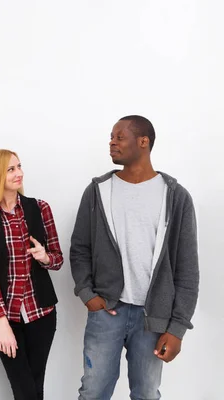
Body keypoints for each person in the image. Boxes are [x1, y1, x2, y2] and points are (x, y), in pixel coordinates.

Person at [70, 115, 200, 399]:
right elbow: (80, 247)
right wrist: (87, 293)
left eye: (119, 137)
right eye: (111, 137)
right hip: (106, 312)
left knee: (146, 394)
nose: (111, 142)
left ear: (144, 142)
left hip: (153, 318)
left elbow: (187, 270)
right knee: (92, 392)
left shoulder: (176, 197)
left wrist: (177, 328)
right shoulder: (98, 191)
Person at [0, 149, 63, 400]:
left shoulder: (40, 208)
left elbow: (58, 259)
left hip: (41, 313)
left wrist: (45, 257)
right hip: (5, 318)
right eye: (11, 169)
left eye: (19, 166)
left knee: (35, 386)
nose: (19, 173)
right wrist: (1, 323)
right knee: (23, 388)